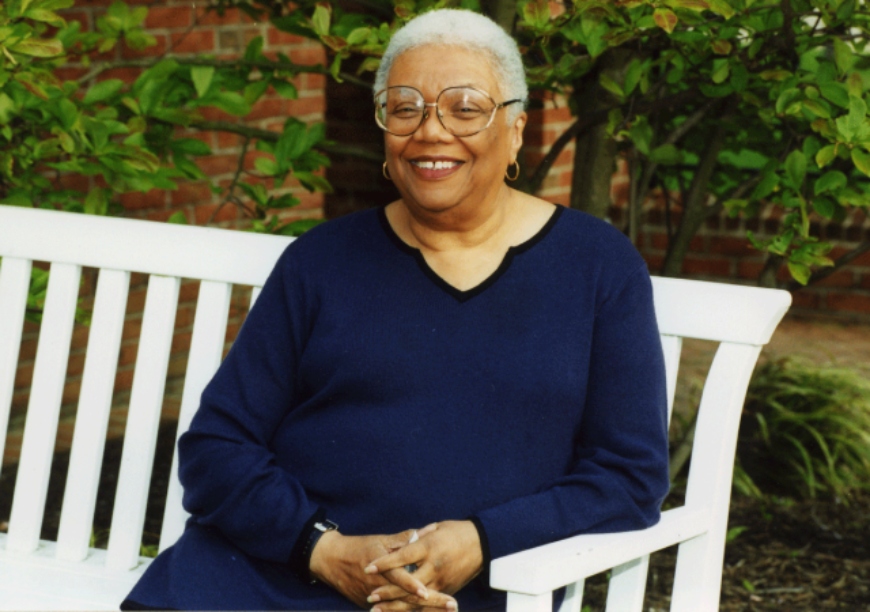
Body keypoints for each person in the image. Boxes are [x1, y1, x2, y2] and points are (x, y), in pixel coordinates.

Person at [121, 8, 669, 612]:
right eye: (405, 108)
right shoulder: (320, 262)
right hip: (276, 574)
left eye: (465, 108)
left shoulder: (597, 268)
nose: (431, 132)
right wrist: (322, 549)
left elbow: (629, 478)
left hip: (474, 592)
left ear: (515, 129)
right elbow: (217, 448)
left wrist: (482, 541)